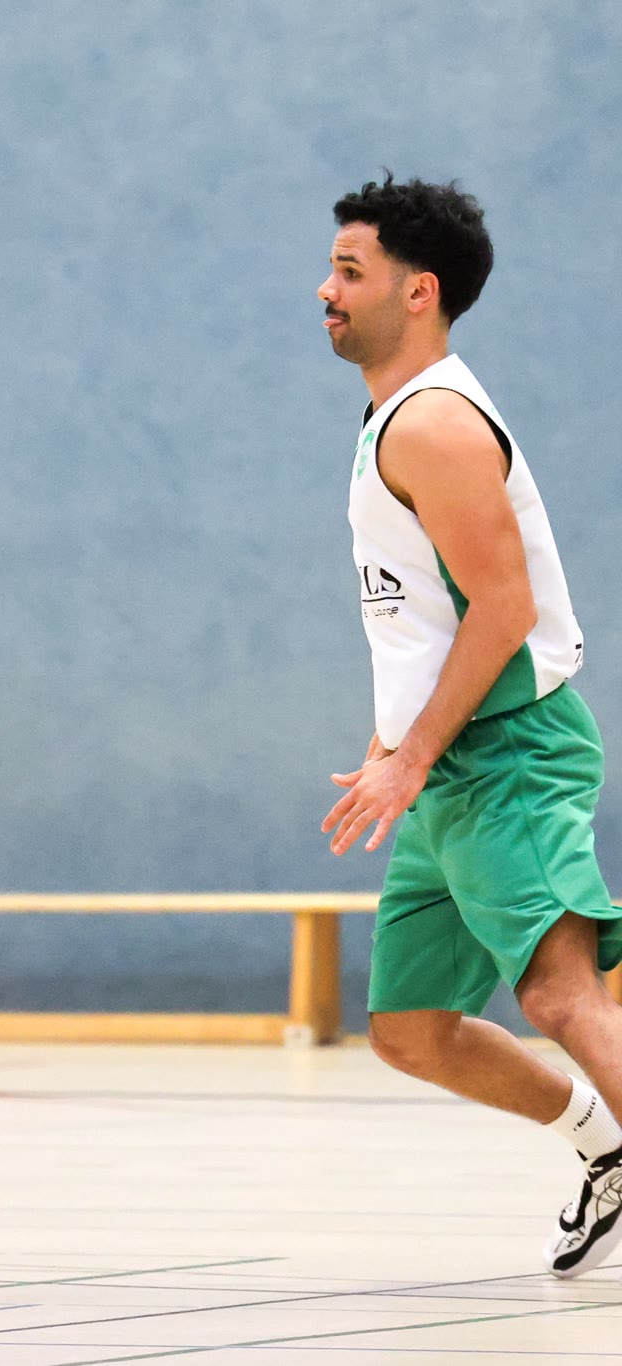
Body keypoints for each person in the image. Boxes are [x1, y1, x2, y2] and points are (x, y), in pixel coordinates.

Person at [318, 174, 621, 1277]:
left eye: (349, 271)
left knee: (559, 994)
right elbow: (427, 613)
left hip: (506, 753)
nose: (326, 290)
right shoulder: (392, 416)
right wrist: (392, 740)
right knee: (410, 1029)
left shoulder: (437, 424)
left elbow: (504, 610)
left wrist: (410, 755)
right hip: (445, 765)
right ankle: (605, 1148)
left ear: (419, 291)